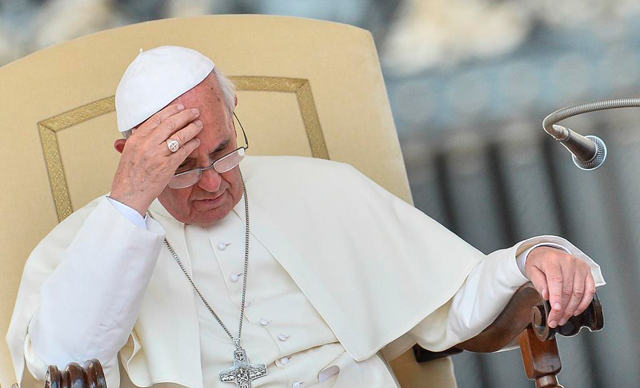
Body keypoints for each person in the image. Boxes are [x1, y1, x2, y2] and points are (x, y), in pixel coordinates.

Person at [7, 46, 605, 388]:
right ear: (132, 159)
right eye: (181, 168)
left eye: (223, 151)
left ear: (234, 116)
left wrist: (532, 258)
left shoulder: (323, 189)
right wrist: (130, 204)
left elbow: (455, 301)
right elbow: (65, 362)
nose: (214, 181)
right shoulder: (83, 246)